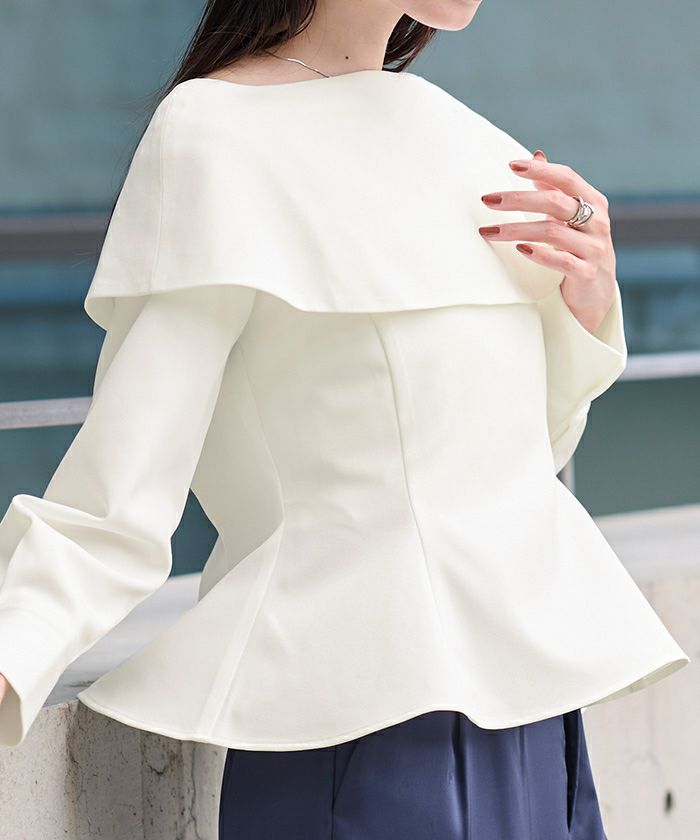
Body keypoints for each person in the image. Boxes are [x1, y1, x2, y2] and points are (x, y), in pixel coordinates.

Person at [0, 1, 690, 838]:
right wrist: (17, 644)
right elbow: (122, 489)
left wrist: (585, 305)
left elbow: (518, 464)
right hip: (362, 730)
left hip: (539, 719)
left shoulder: (480, 147)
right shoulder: (214, 135)